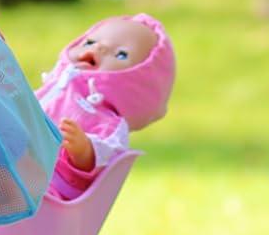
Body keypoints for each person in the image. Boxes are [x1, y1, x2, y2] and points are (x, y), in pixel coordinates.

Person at [37, 13, 174, 199]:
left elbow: (108, 154)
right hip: (10, 160)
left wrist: (85, 150)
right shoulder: (55, 89)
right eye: (90, 42)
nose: (100, 47)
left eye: (121, 54)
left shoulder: (109, 122)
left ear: (137, 81)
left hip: (48, 188)